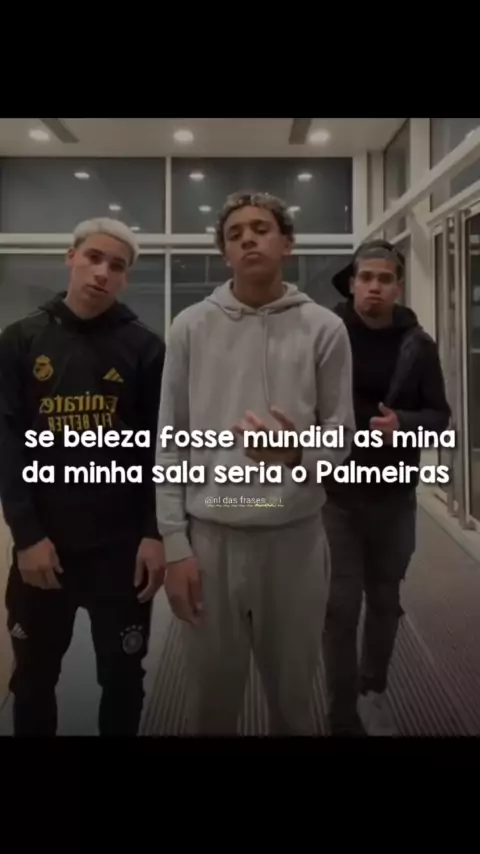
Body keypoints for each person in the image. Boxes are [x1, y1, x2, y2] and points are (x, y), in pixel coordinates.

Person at [155, 191, 355, 735]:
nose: (247, 238)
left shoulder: (324, 328)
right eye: (235, 233)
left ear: (287, 243)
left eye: (261, 228)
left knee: (293, 701)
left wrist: (296, 453)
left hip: (295, 539)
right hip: (210, 540)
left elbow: (341, 438)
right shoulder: (190, 326)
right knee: (210, 704)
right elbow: (170, 441)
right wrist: (175, 544)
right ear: (225, 252)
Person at [0, 218, 166, 736]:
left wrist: (154, 532)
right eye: (93, 257)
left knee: (123, 679)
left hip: (120, 551)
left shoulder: (145, 348)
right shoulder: (20, 340)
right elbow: (7, 444)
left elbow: (160, 451)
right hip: (43, 546)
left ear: (125, 278)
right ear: (70, 257)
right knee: (33, 679)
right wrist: (27, 536)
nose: (102, 272)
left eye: (116, 266)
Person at [322, 239, 451, 736]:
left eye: (385, 279)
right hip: (336, 497)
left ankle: (372, 690)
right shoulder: (327, 335)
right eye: (366, 277)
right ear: (352, 284)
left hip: (394, 498)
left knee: (383, 601)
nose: (374, 286)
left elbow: (439, 416)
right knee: (339, 606)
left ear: (398, 286)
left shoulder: (418, 345)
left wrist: (405, 424)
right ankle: (340, 712)